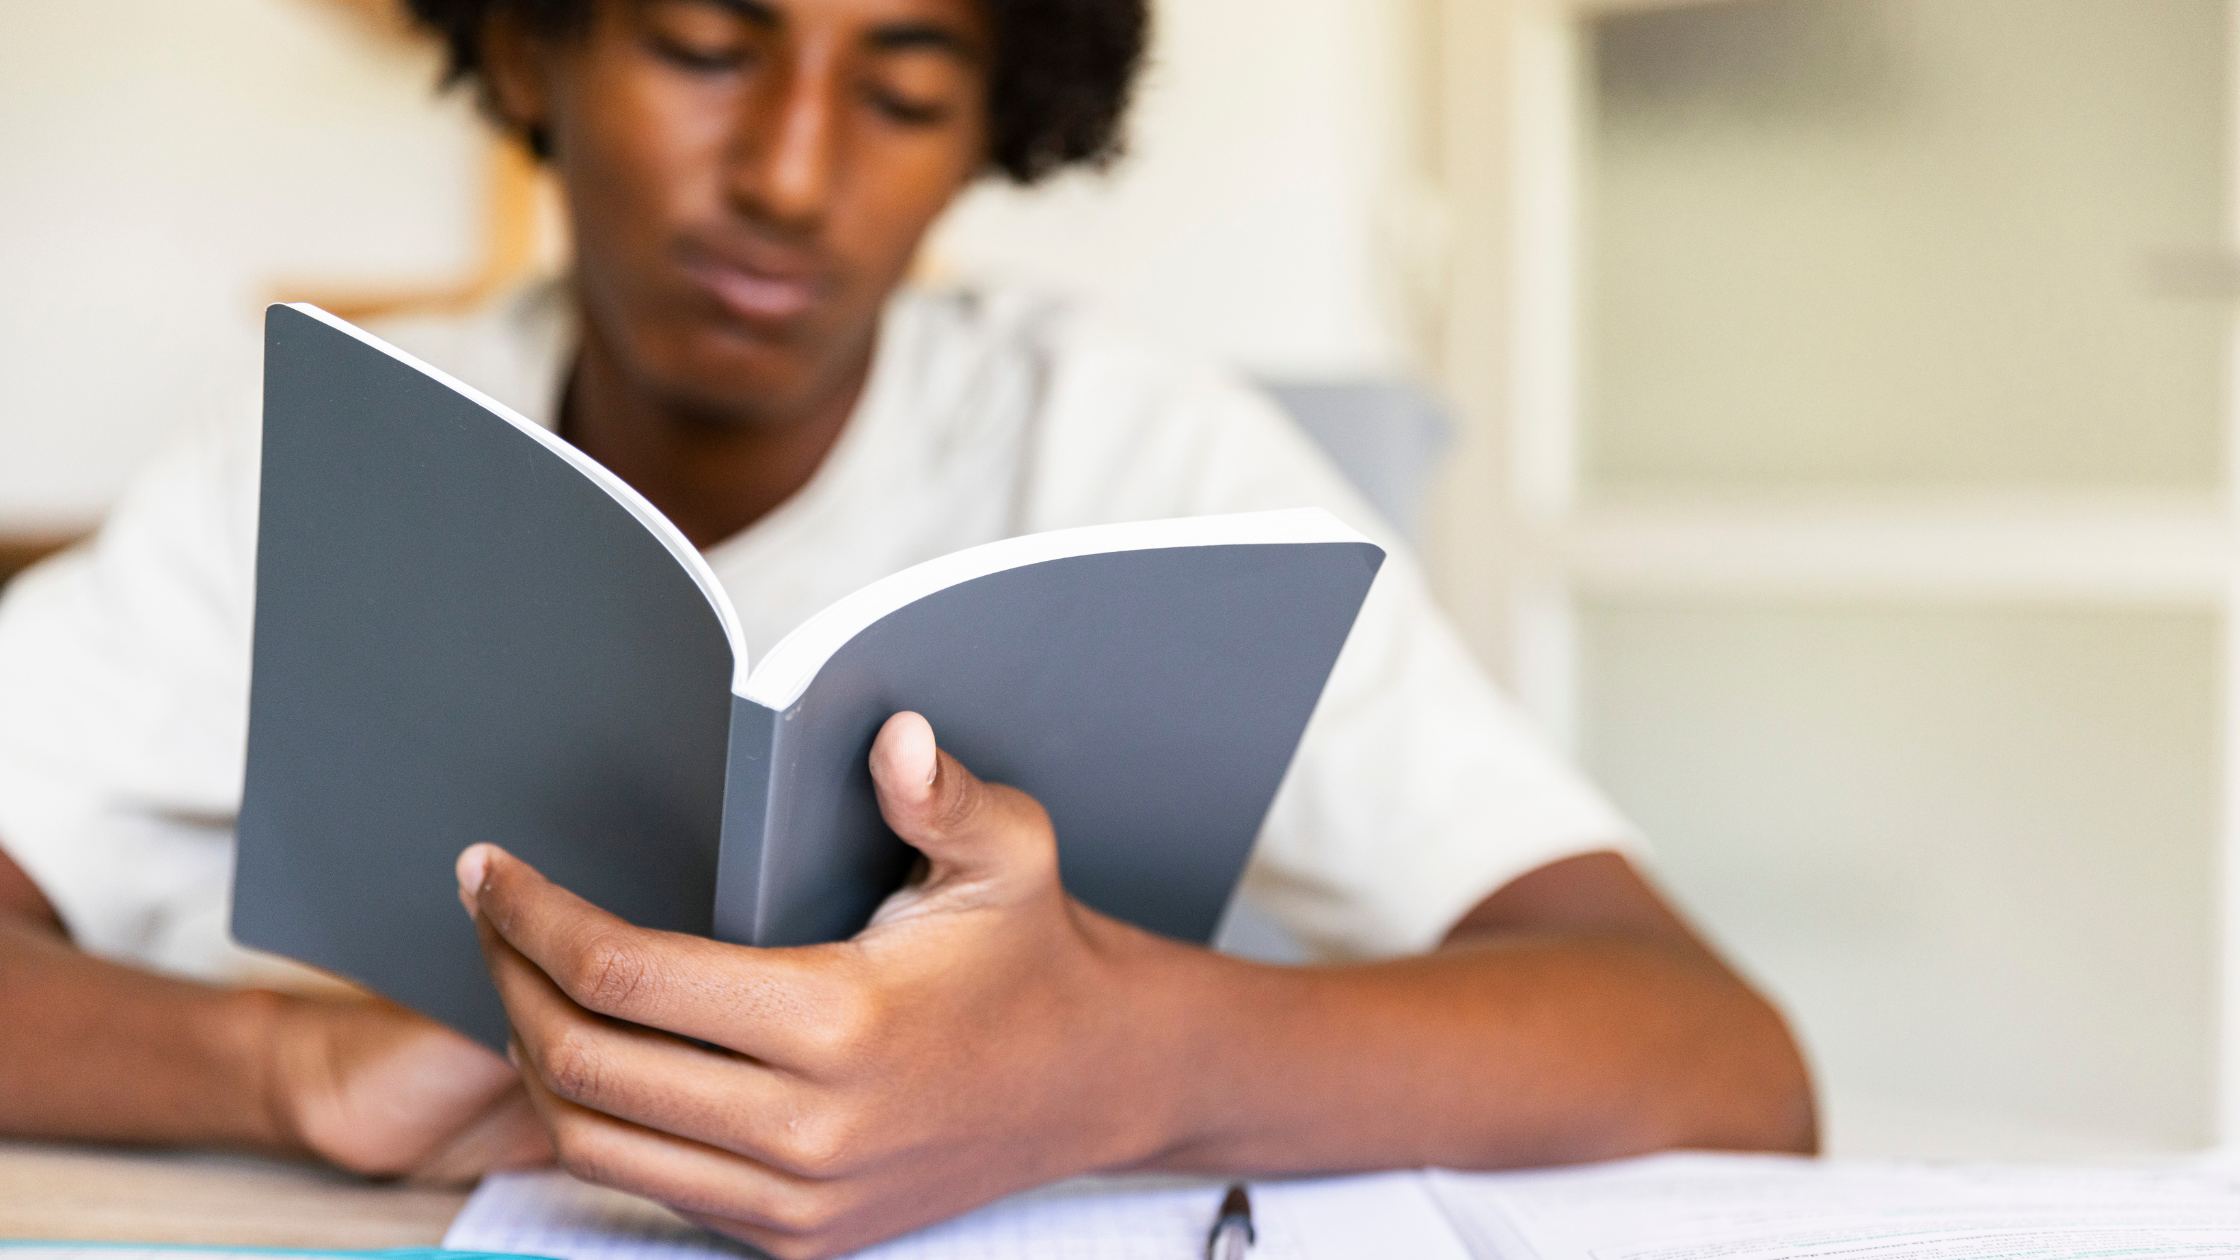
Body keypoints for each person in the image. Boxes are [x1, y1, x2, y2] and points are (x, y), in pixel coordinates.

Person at [0, 0, 1814, 1254]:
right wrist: (296, 1075)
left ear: (999, 123)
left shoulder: (1132, 447)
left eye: (905, 85)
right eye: (709, 45)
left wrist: (1125, 1060)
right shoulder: (333, 447)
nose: (792, 168)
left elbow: (1723, 1058)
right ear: (533, 44)